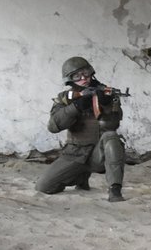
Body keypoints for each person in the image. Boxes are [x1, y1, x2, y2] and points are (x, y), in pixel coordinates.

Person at [36, 57, 127, 202]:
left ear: (91, 72)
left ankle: (115, 190)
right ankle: (79, 176)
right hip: (75, 154)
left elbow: (113, 125)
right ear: (69, 80)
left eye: (85, 73)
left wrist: (107, 105)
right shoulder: (65, 98)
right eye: (76, 76)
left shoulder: (107, 94)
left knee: (111, 137)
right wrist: (76, 107)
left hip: (99, 154)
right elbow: (53, 126)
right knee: (43, 186)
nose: (83, 78)